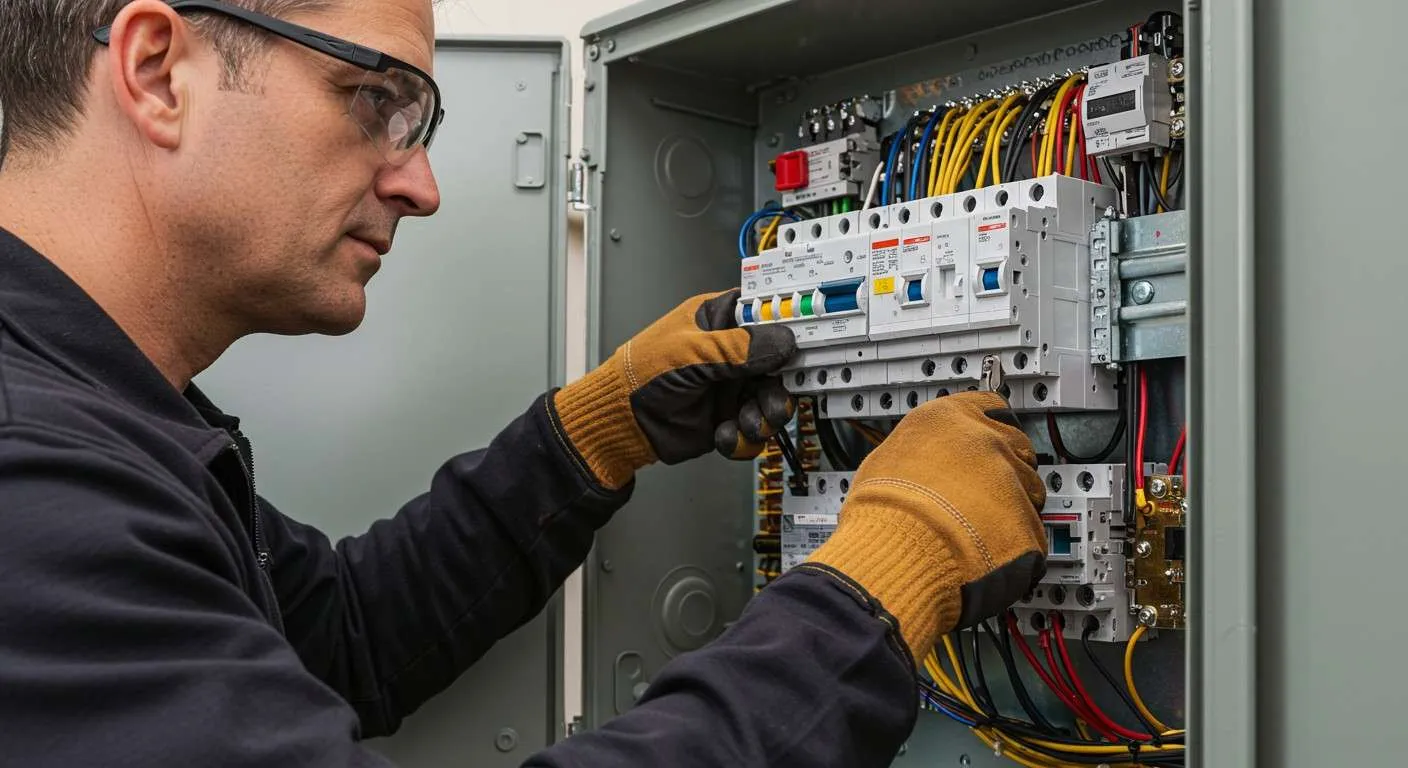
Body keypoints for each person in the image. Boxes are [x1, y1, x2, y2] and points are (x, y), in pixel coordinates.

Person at [0, 0, 1048, 765]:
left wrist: (589, 437)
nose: (421, 185)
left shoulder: (99, 425)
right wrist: (883, 582)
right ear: (154, 69)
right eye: (378, 100)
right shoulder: (34, 486)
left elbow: (344, 642)